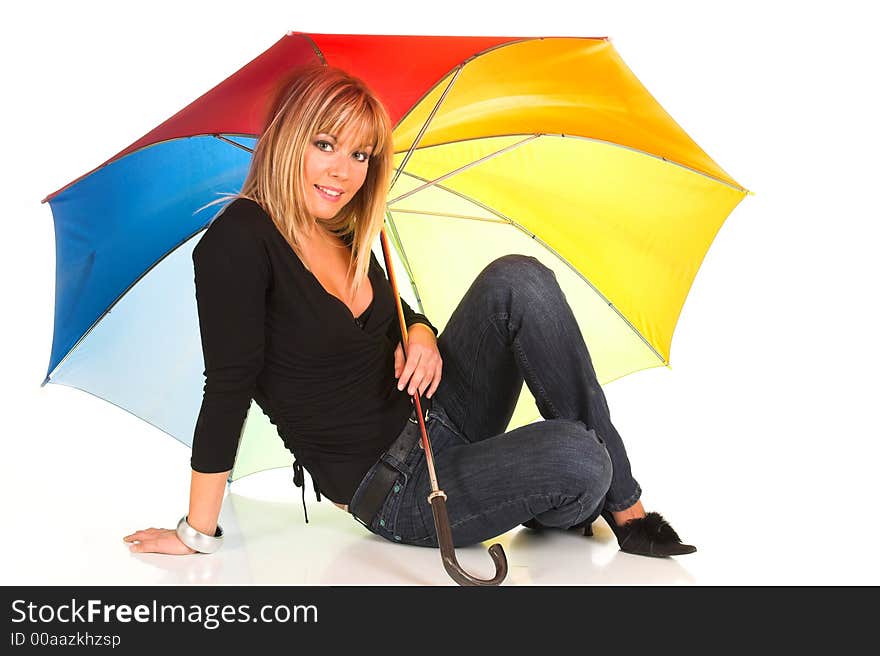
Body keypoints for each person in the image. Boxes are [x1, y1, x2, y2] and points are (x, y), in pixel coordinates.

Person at [123, 63, 695, 562]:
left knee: (518, 278)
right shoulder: (238, 242)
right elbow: (227, 388)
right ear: (286, 140)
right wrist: (198, 532)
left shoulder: (342, 230)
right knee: (576, 455)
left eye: (360, 155)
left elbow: (396, 313)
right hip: (400, 488)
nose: (343, 173)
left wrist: (421, 331)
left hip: (438, 413)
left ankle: (627, 510)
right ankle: (562, 495)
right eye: (325, 144)